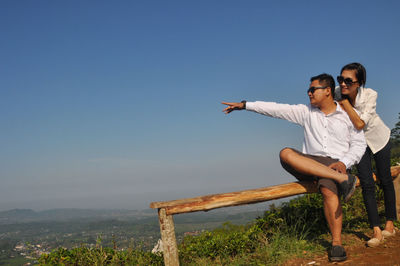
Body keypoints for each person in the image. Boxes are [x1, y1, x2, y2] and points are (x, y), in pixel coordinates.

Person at [222, 73, 366, 262]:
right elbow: (276, 109)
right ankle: (343, 180)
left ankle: (337, 244)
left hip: (336, 164)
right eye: (309, 90)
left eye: (313, 89)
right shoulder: (306, 112)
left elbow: (359, 144)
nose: (309, 93)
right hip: (310, 163)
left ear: (328, 91)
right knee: (286, 153)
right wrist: (246, 105)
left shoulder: (348, 115)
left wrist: (343, 163)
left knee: (328, 189)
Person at [335, 62, 397, 247]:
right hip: (358, 144)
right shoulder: (336, 92)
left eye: (348, 80)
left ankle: (390, 224)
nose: (343, 84)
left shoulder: (370, 94)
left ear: (360, 82)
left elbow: (360, 124)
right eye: (341, 79)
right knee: (367, 184)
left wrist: (345, 103)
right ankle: (376, 231)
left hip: (379, 139)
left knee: (385, 180)